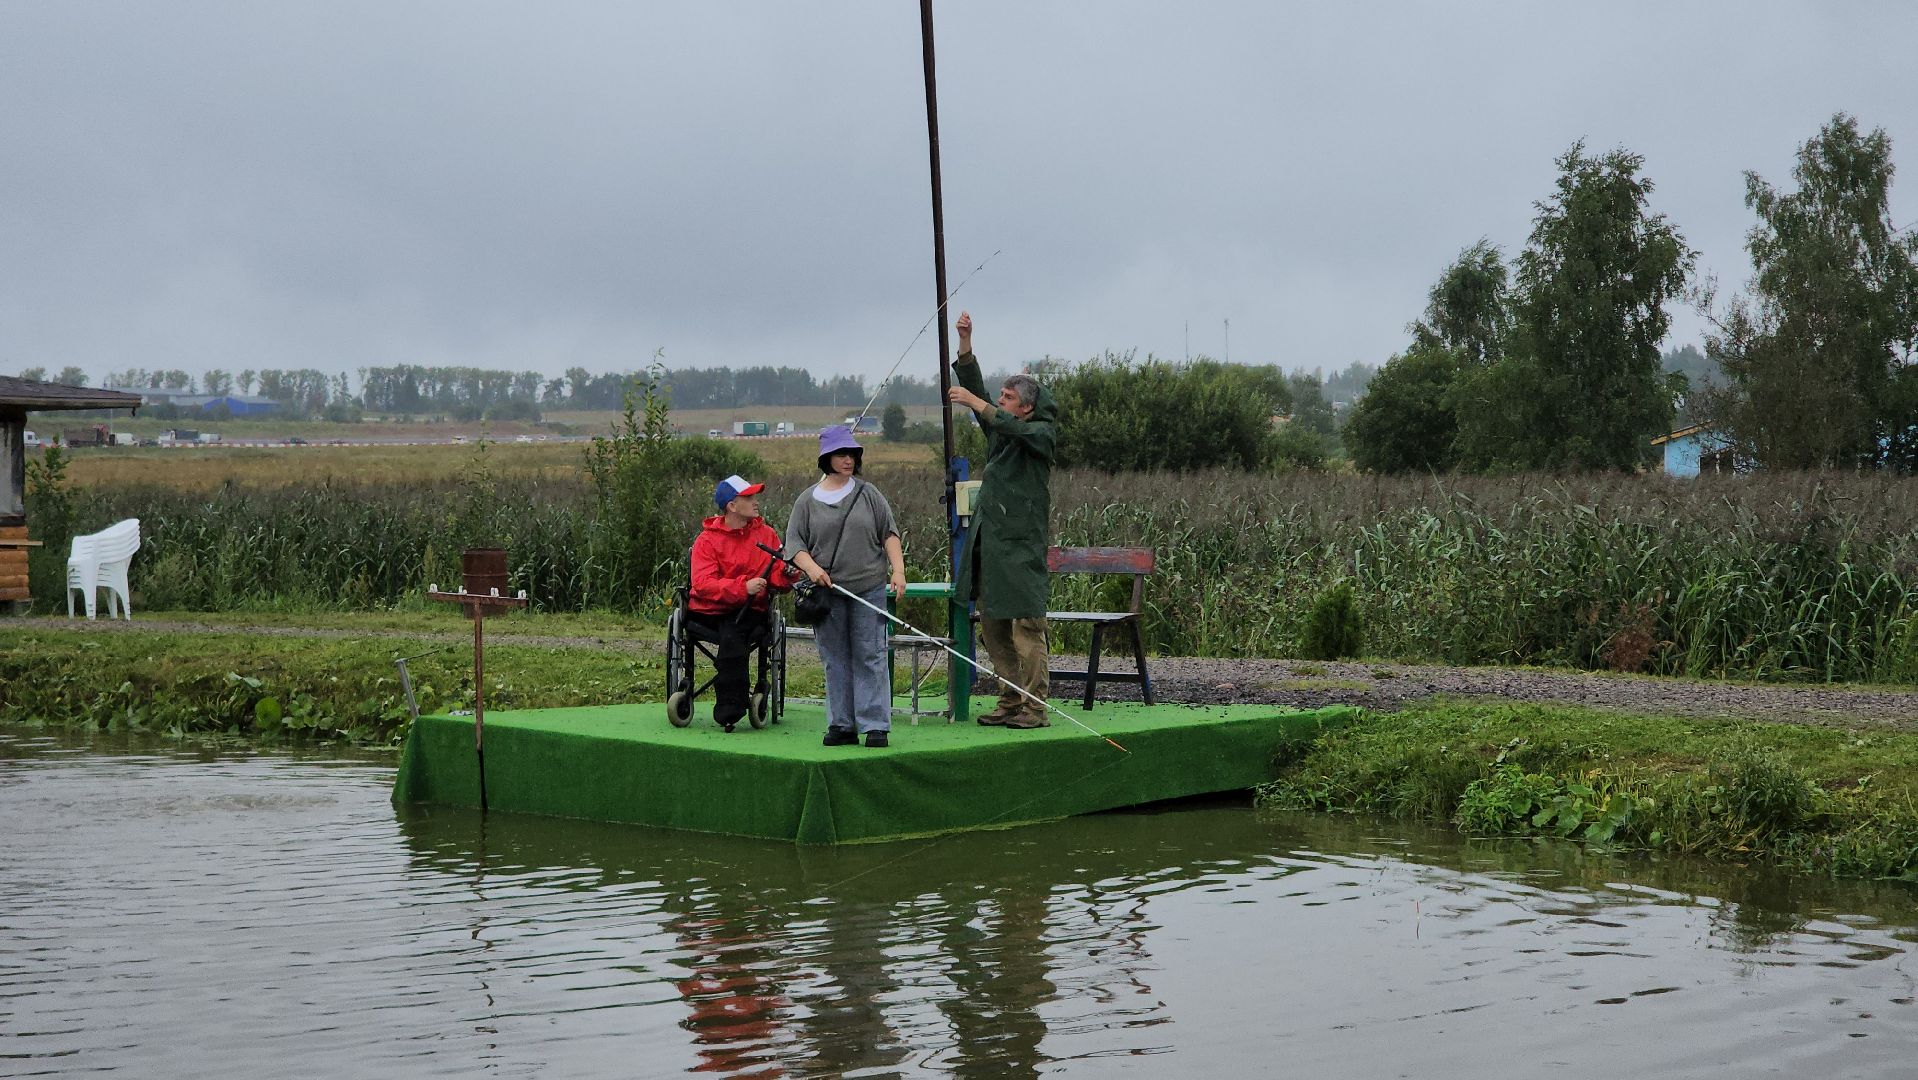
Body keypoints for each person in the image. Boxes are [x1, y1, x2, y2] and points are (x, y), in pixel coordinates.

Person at [946, 310, 1059, 729]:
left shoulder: (1040, 433)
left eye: (1008, 398)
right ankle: (1010, 701)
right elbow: (982, 400)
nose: (999, 402)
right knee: (993, 629)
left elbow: (993, 413)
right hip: (991, 547)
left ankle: (1035, 708)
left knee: (1026, 629)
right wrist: (965, 343)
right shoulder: (1003, 430)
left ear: (1026, 407)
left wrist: (978, 404)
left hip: (1021, 549)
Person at [786, 426, 909, 748]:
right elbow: (795, 545)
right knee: (835, 658)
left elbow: (889, 533)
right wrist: (812, 569)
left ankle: (875, 725)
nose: (848, 460)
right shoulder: (806, 501)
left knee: (871, 654)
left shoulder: (869, 494)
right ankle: (841, 724)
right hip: (827, 593)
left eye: (852, 454)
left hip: (868, 588)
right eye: (841, 454)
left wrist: (898, 571)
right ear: (826, 459)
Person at [688, 475, 795, 730]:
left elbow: (777, 578)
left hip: (750, 611)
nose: (756, 502)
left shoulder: (767, 535)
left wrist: (789, 573)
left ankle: (731, 706)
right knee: (731, 631)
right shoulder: (707, 540)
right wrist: (743, 587)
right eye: (748, 497)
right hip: (709, 611)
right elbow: (702, 584)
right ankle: (731, 705)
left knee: (734, 631)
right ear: (731, 506)